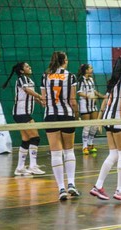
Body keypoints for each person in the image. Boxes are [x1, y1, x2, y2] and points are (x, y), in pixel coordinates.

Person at [89, 53, 121, 203]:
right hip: (117, 120)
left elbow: (106, 101)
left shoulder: (117, 80)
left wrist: (99, 121)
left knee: (114, 154)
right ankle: (120, 191)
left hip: (109, 119)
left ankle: (98, 186)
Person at [41, 51, 80, 201]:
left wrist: (48, 102)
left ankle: (61, 189)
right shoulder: (70, 76)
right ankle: (71, 184)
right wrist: (77, 116)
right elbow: (72, 100)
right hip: (67, 114)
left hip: (50, 115)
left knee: (56, 153)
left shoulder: (45, 76)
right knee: (69, 151)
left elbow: (44, 100)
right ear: (64, 61)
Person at [2, 62, 45, 176]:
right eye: (27, 66)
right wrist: (40, 96)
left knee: (26, 140)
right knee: (35, 138)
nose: (30, 67)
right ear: (21, 71)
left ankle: (20, 168)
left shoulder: (29, 80)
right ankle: (33, 166)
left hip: (23, 113)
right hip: (21, 113)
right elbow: (27, 91)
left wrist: (39, 101)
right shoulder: (21, 79)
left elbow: (29, 95)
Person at [77, 64, 106, 155]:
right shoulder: (81, 80)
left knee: (94, 125)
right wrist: (88, 96)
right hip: (84, 105)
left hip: (93, 105)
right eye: (90, 68)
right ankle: (84, 146)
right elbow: (79, 93)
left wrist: (102, 96)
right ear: (86, 70)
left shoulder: (91, 79)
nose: (92, 70)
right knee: (87, 126)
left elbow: (94, 91)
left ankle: (90, 143)